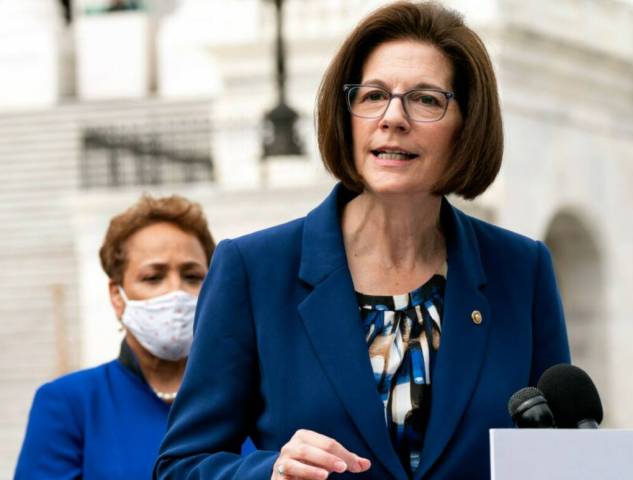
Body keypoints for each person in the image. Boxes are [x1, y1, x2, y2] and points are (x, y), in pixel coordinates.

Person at [154, 2, 570, 479]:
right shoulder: (253, 270)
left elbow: (553, 456)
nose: (393, 118)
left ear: (467, 126)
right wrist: (267, 473)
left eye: (426, 100)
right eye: (373, 96)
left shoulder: (522, 270)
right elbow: (180, 466)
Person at [15, 195, 252, 479]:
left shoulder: (254, 396)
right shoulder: (69, 404)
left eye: (192, 276)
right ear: (117, 296)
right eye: (153, 277)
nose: (176, 292)